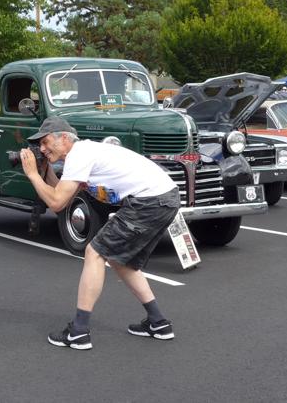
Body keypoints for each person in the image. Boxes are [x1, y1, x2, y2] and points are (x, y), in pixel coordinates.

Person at [19, 116, 180, 350]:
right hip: (164, 198)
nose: (42, 149)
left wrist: (33, 175)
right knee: (122, 262)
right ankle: (158, 323)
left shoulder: (79, 155)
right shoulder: (83, 152)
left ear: (64, 138)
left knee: (94, 252)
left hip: (149, 201)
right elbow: (62, 195)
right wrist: (43, 171)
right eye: (39, 145)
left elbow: (56, 203)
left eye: (45, 142)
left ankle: (79, 331)